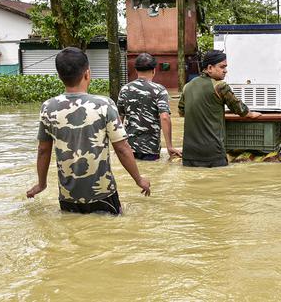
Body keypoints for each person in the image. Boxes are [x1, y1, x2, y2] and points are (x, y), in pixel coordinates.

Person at [26, 47, 151, 215]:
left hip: (68, 196)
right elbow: (122, 148)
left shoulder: (48, 107)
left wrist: (41, 184)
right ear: (87, 74)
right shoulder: (104, 105)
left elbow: (43, 150)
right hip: (103, 193)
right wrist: (139, 179)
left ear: (59, 76)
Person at [178, 50, 261, 167]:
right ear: (210, 67)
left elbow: (182, 112)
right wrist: (251, 114)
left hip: (189, 154)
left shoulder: (187, 86)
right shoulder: (220, 86)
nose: (225, 70)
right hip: (213, 153)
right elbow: (239, 109)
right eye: (222, 67)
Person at [117, 53, 182, 161]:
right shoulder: (159, 90)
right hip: (151, 148)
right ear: (153, 70)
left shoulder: (125, 89)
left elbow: (119, 118)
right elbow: (165, 117)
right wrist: (169, 146)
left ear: (136, 70)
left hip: (128, 148)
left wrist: (118, 146)